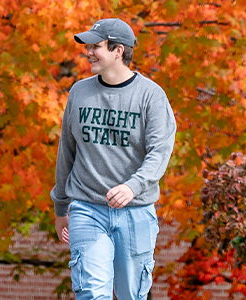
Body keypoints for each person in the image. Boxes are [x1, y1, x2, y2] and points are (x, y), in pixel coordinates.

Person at [51, 18, 178, 300]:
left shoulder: (151, 96)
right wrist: (61, 208)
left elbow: (159, 152)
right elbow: (66, 152)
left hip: (136, 211)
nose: (89, 52)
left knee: (131, 295)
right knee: (91, 293)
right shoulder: (79, 93)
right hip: (87, 209)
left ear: (118, 50)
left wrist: (133, 186)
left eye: (96, 46)